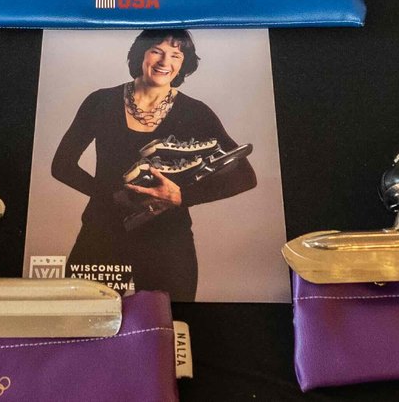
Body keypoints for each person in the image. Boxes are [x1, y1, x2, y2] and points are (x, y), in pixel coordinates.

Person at [49, 29, 257, 303]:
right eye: (156, 51)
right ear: (141, 54)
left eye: (175, 55)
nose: (164, 62)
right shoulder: (100, 101)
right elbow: (62, 165)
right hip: (101, 234)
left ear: (184, 63)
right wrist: (111, 197)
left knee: (168, 327)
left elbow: (245, 175)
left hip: (167, 241)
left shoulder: (196, 113)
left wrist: (181, 196)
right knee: (81, 328)